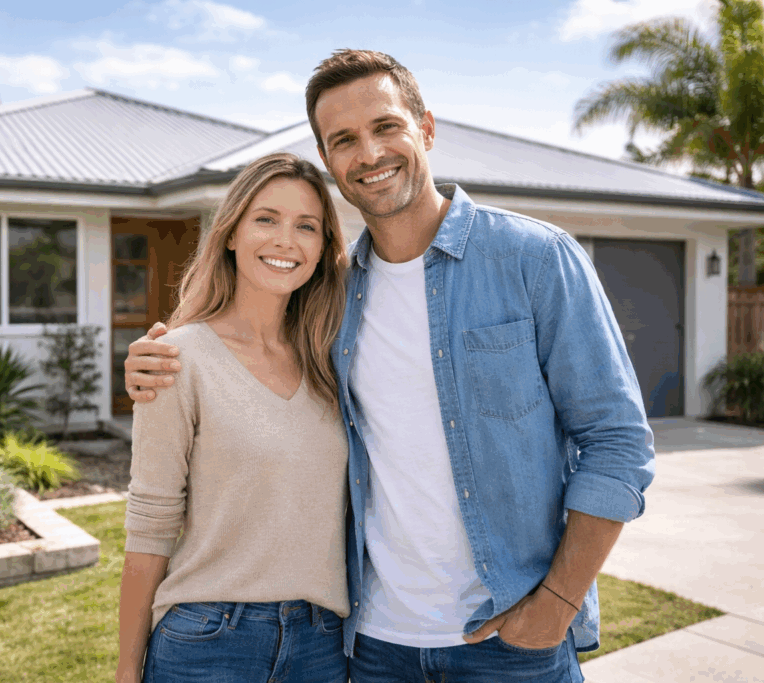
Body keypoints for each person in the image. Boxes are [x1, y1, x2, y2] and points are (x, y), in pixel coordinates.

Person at [124, 50, 656, 683]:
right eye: (344, 140)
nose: (369, 154)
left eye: (386, 126)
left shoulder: (535, 260)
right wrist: (161, 356)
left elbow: (617, 442)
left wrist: (558, 605)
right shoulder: (334, 300)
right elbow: (243, 359)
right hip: (372, 647)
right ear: (330, 161)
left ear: (426, 128)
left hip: (510, 642)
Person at [116, 152, 351, 683]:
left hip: (322, 646)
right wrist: (128, 672)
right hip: (208, 643)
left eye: (306, 226)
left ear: (323, 247)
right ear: (230, 233)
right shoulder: (177, 357)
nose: (285, 241)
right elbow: (150, 526)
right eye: (266, 219)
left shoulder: (333, 360)